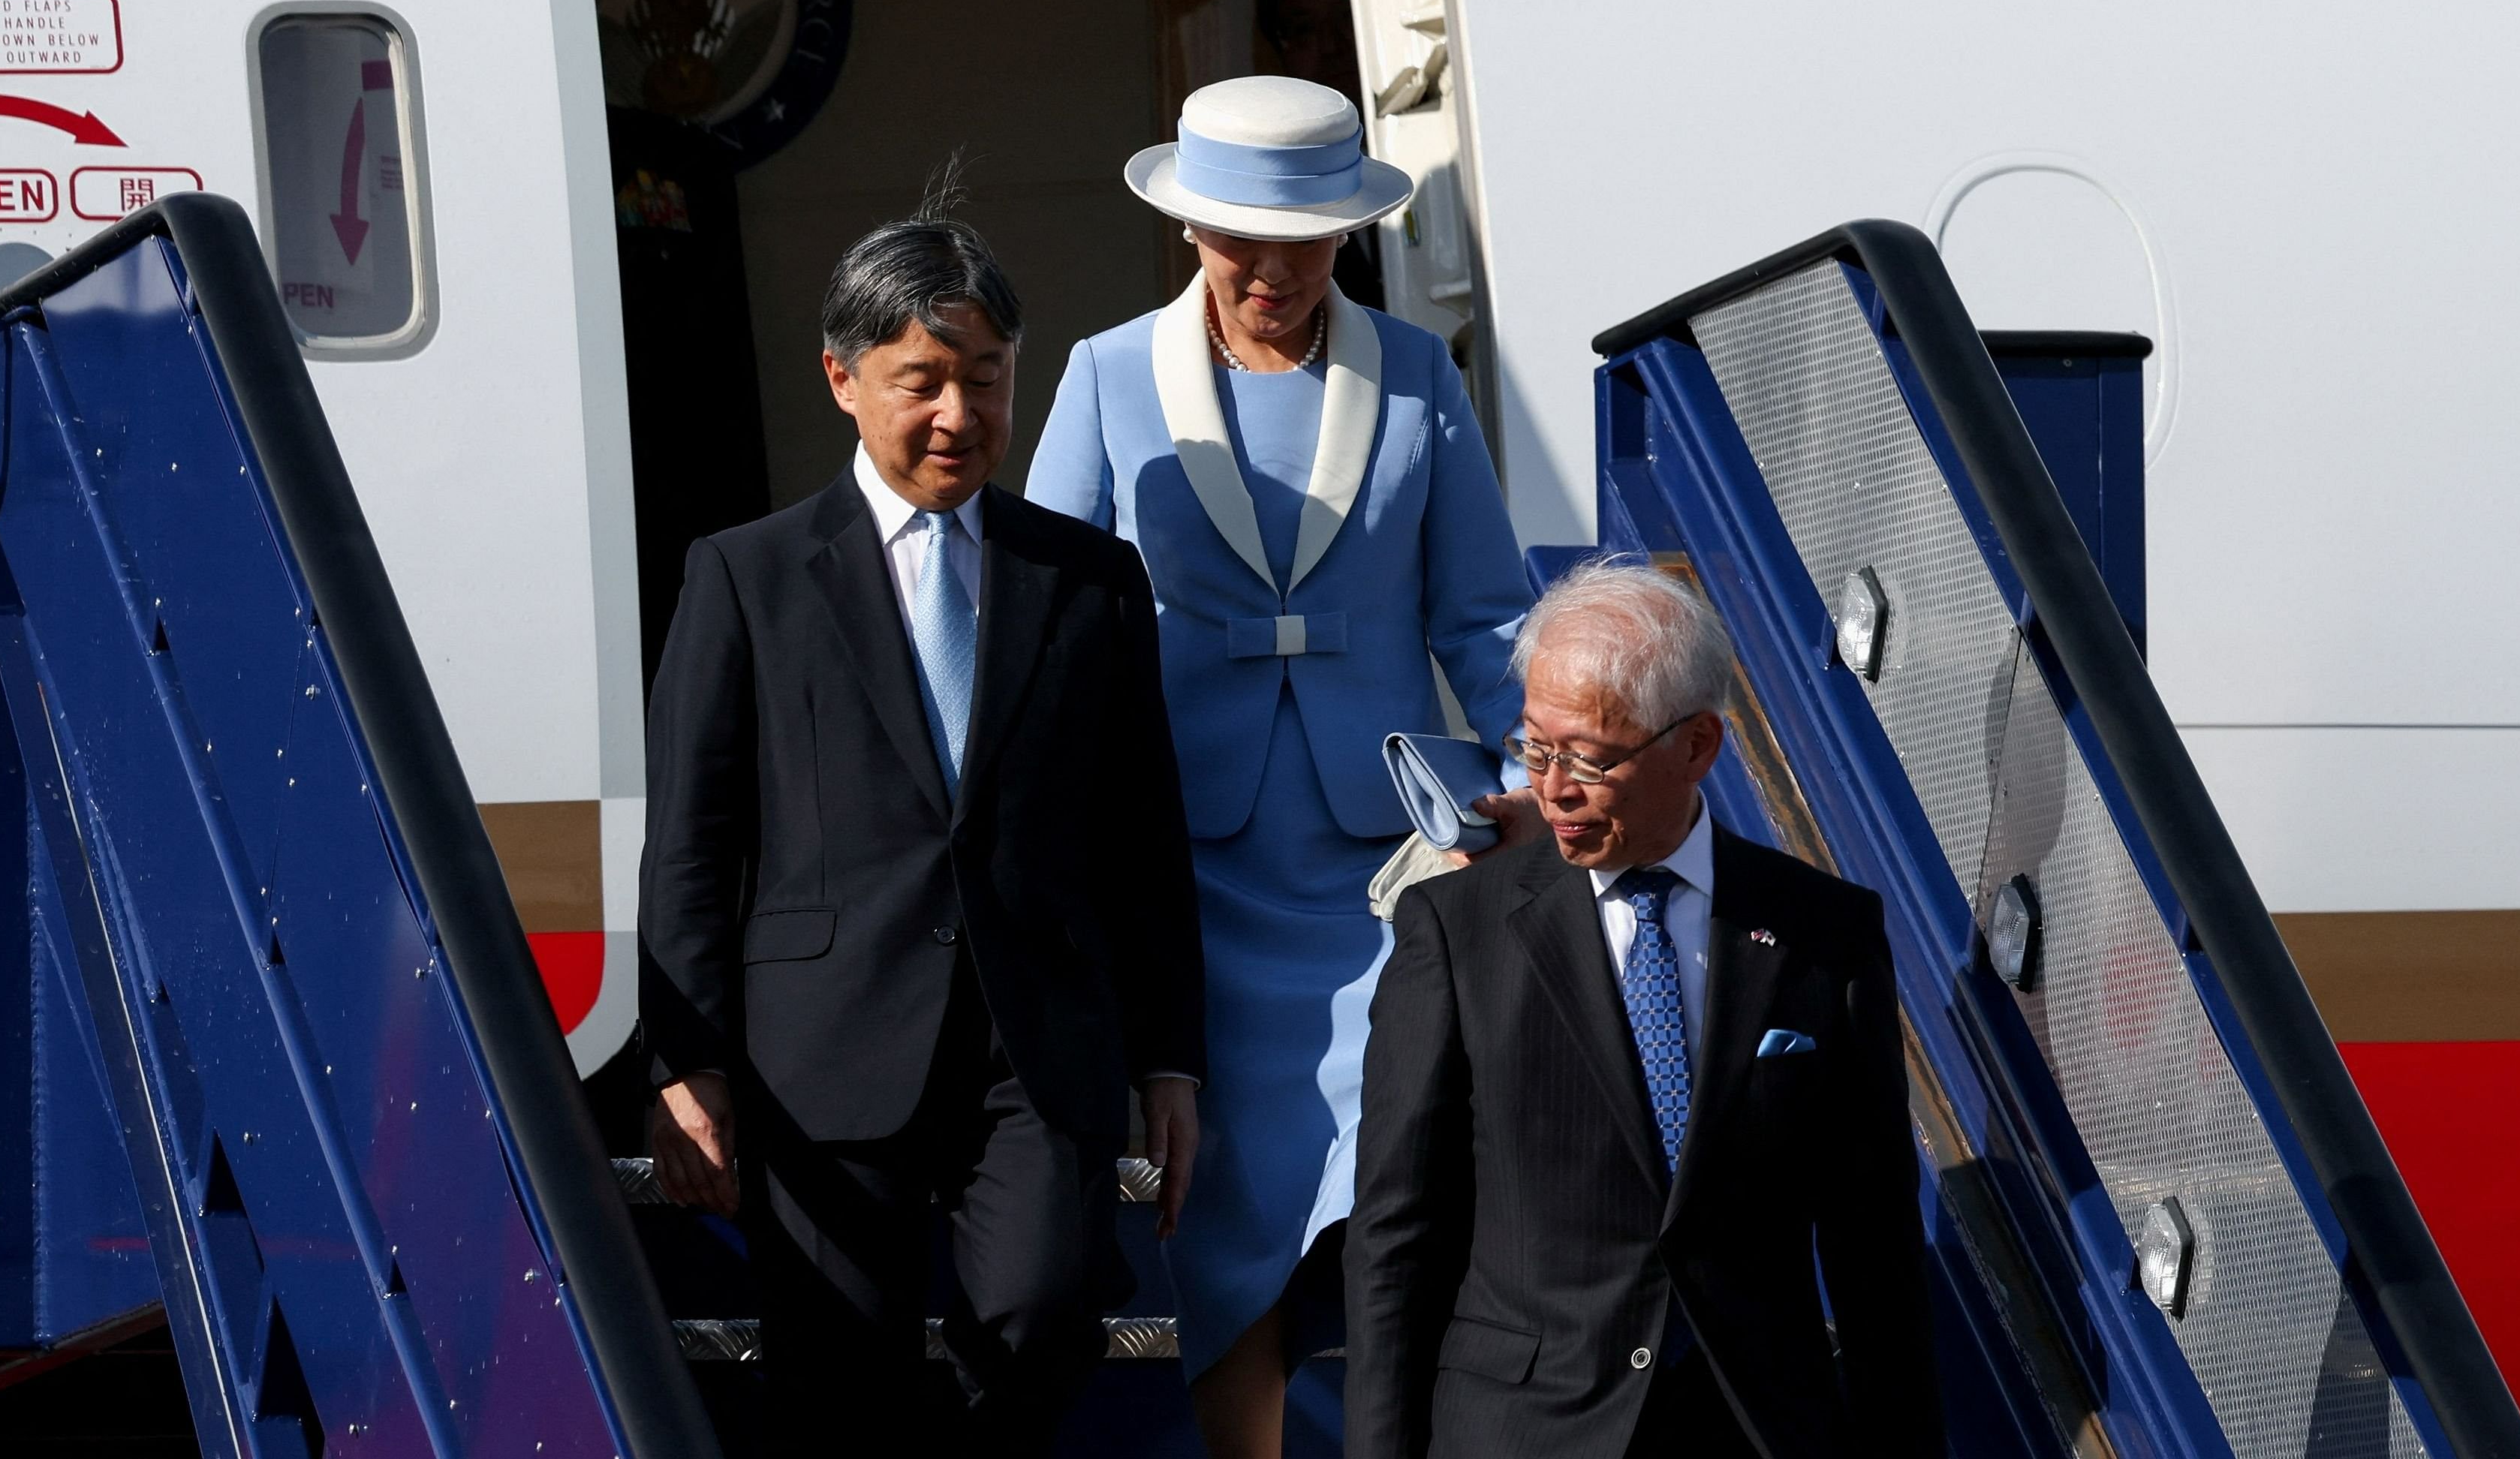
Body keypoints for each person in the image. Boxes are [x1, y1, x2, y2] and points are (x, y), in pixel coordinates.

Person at [639, 206, 1206, 1456]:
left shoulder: (1089, 577)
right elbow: (691, 836)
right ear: (844, 380)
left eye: (986, 379)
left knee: (1052, 1307)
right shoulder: (748, 573)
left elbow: (1141, 838)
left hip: (1036, 1044)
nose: (960, 412)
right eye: (924, 381)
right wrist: (685, 1063)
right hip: (824, 1046)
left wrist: (1171, 1055)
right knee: (837, 1368)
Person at [1027, 74, 1534, 1458]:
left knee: (1397, 1179)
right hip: (1183, 866)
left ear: (1348, 235)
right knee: (1220, 1200)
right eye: (1240, 241)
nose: (1271, 271)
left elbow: (1486, 617)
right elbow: (1045, 623)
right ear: (1190, 232)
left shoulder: (1419, 375)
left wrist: (1545, 759)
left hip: (1380, 875)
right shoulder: (1104, 374)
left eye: (1304, 242)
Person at [1346, 560, 1944, 1458]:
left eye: (1587, 757)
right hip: (1524, 1428)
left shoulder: (1824, 931)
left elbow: (1874, 1244)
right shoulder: (1456, 929)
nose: (1550, 787)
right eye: (1535, 748)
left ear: (1696, 746)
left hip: (1752, 1426)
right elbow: (1396, 1235)